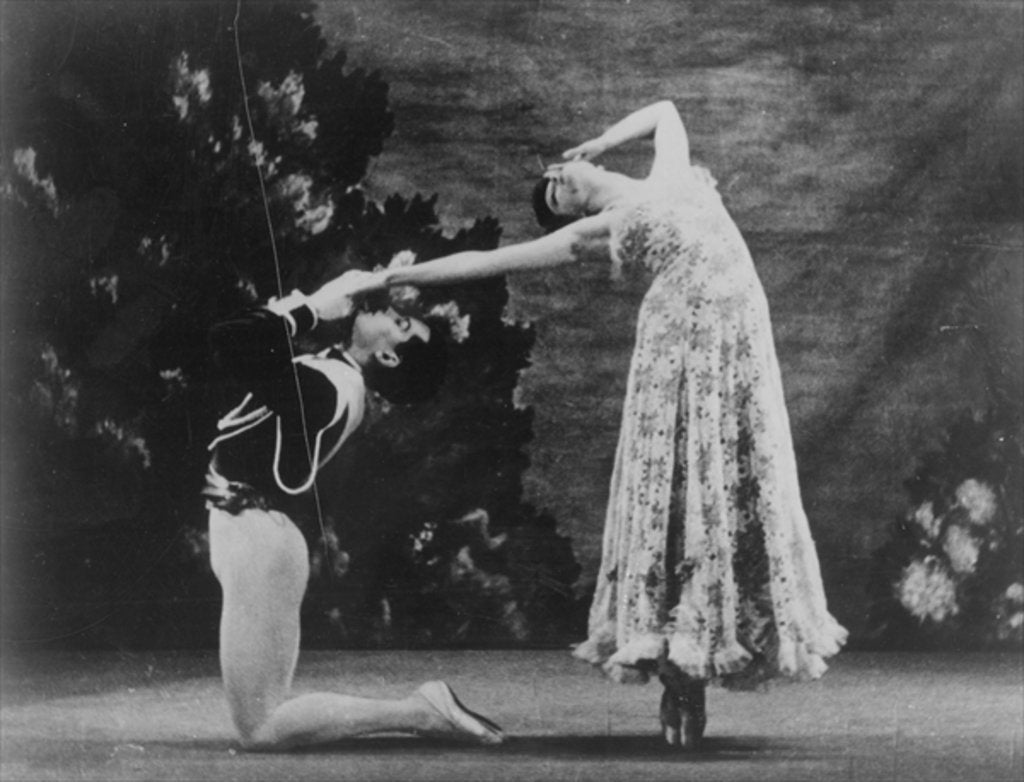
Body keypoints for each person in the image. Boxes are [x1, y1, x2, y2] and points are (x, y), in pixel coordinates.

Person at [349, 100, 848, 749]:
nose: (559, 180)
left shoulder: (672, 174)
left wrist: (603, 137)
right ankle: (681, 679)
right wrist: (398, 275)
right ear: (576, 215)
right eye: (557, 196)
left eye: (557, 177)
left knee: (732, 487)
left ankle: (702, 658)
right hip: (681, 354)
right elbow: (493, 262)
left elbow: (666, 112)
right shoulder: (603, 226)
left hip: (740, 349)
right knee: (680, 493)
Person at [203, 272, 503, 750]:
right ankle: (420, 710)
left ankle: (420, 711)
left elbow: (231, 338)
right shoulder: (332, 371)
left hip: (260, 541)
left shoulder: (332, 387)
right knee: (263, 713)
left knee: (260, 727)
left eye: (401, 324)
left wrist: (314, 307)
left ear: (387, 356)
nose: (389, 311)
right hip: (252, 533)